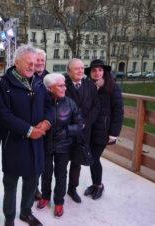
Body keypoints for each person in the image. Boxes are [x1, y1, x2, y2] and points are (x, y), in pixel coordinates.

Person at [0, 44, 53, 226]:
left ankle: (26, 213)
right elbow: (4, 115)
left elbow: (50, 106)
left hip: (36, 145)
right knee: (11, 185)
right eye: (28, 63)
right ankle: (10, 218)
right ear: (17, 62)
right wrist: (29, 130)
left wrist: (47, 122)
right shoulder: (5, 84)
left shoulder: (38, 82)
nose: (32, 66)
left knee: (31, 181)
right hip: (14, 144)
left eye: (34, 62)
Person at [37, 73, 84, 217]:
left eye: (64, 85)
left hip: (63, 146)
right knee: (46, 173)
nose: (64, 88)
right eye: (60, 85)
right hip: (45, 144)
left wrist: (67, 131)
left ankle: (59, 202)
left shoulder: (70, 103)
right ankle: (45, 196)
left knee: (61, 174)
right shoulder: (42, 103)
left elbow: (80, 124)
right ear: (50, 88)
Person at [84, 59, 124, 199]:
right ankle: (95, 184)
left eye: (100, 70)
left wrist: (114, 133)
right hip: (90, 130)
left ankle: (99, 185)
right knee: (91, 158)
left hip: (103, 130)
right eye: (94, 70)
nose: (97, 73)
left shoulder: (112, 87)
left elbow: (118, 111)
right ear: (90, 73)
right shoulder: (88, 86)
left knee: (94, 158)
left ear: (105, 72)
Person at [65, 58, 100, 203]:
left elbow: (96, 106)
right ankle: (58, 192)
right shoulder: (62, 84)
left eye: (82, 68)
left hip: (84, 131)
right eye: (76, 68)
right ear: (69, 71)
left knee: (76, 162)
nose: (80, 71)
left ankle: (72, 189)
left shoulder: (89, 85)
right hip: (66, 131)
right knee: (61, 164)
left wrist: (85, 123)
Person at [33, 48, 49, 201]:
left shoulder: (51, 78)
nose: (39, 63)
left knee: (46, 160)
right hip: (33, 127)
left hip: (49, 126)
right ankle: (34, 187)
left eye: (42, 60)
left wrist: (47, 121)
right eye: (37, 60)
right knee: (35, 159)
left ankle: (45, 188)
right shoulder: (28, 77)